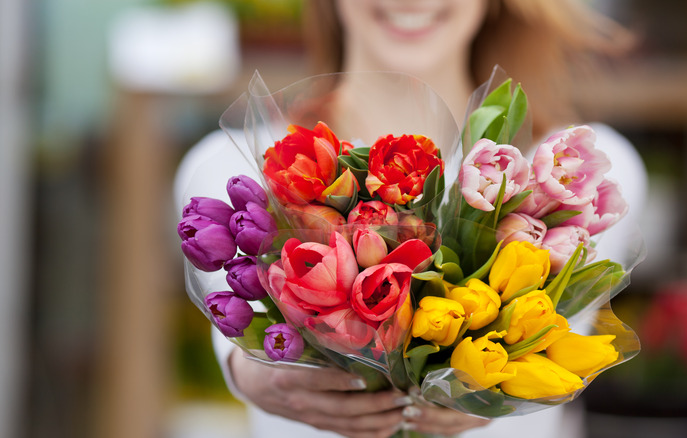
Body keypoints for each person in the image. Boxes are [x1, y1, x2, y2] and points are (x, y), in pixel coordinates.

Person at [174, 0, 647, 437]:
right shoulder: (230, 170)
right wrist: (243, 372)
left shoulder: (580, 176)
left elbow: (563, 348)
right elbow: (231, 316)